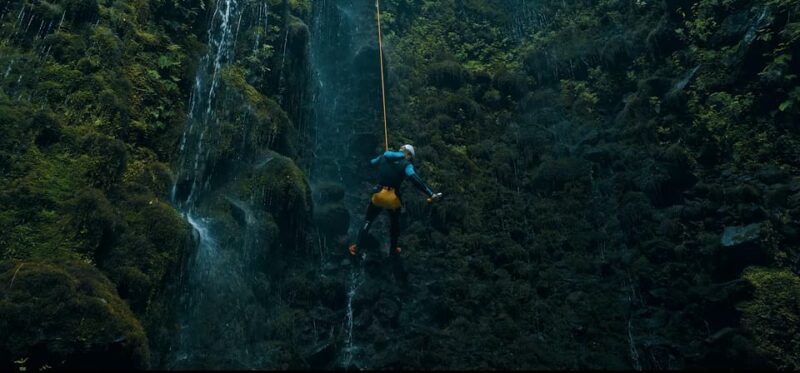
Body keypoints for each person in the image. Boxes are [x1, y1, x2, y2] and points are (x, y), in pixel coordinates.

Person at [348, 144, 442, 257]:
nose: (410, 159)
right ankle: (393, 249)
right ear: (407, 154)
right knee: (395, 223)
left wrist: (383, 162)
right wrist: (430, 193)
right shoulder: (407, 165)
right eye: (410, 156)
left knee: (368, 220)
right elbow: (415, 179)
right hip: (393, 199)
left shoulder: (384, 156)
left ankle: (357, 247)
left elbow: (371, 163)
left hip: (378, 195)